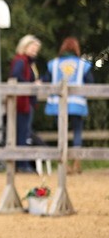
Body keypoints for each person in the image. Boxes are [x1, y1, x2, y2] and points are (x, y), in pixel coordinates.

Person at [44, 37, 95, 174]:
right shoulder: (82, 64)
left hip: (58, 104)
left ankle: (63, 162)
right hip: (77, 103)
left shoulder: (53, 64)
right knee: (77, 131)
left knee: (62, 132)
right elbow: (90, 82)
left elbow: (46, 80)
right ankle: (77, 162)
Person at [8, 34, 42, 172]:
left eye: (36, 49)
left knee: (25, 133)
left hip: (27, 102)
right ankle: (22, 164)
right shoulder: (21, 61)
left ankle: (22, 163)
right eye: (32, 48)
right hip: (22, 103)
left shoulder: (28, 63)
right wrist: (31, 84)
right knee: (22, 133)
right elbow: (15, 76)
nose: (35, 51)